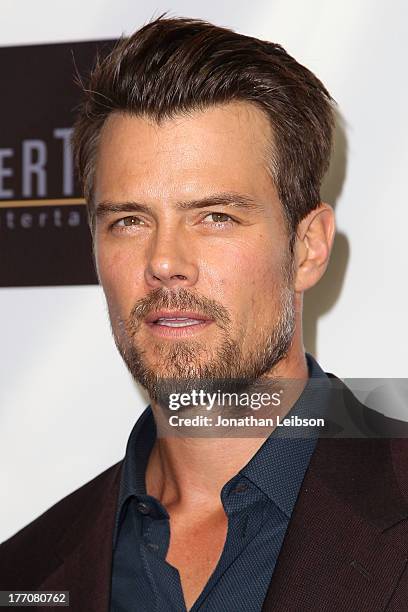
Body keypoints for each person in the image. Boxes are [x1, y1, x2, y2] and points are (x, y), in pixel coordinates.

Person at [1, 15, 408, 612]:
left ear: (308, 247)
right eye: (129, 221)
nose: (165, 262)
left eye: (216, 216)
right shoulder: (28, 572)